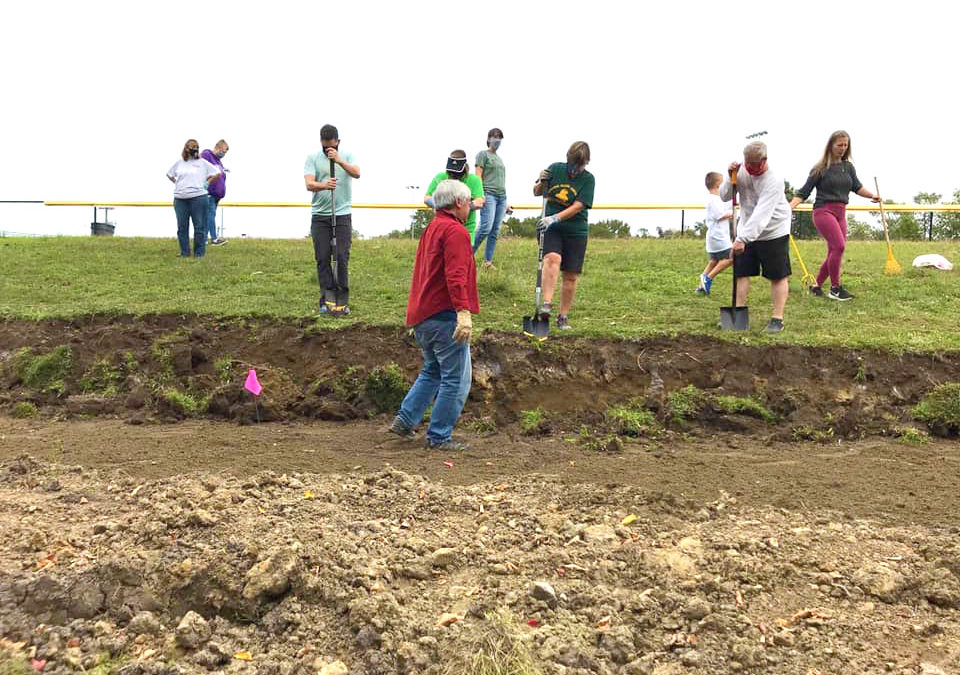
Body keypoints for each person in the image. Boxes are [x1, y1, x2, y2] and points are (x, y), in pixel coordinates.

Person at [389, 180, 480, 451]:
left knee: (433, 370)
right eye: (470, 202)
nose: (472, 206)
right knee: (456, 379)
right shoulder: (456, 232)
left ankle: (405, 420)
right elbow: (455, 275)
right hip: (444, 316)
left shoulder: (431, 228)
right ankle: (439, 436)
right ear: (460, 203)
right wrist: (463, 312)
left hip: (423, 315)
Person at [789, 130, 880, 301]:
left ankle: (816, 286)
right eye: (839, 145)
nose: (843, 148)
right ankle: (835, 289)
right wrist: (789, 207)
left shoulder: (848, 167)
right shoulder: (820, 168)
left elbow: (857, 187)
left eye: (846, 145)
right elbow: (803, 192)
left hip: (841, 213)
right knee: (839, 247)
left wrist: (872, 195)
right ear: (831, 145)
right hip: (823, 211)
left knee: (834, 250)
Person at [719, 141, 792, 333]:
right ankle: (738, 314)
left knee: (777, 275)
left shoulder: (774, 180)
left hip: (773, 231)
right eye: (747, 165)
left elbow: (762, 214)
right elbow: (724, 196)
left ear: (764, 160)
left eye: (754, 166)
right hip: (746, 229)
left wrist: (742, 239)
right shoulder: (742, 171)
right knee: (742, 272)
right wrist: (729, 177)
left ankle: (777, 319)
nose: (749, 169)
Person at [532, 141, 595, 330]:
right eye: (573, 164)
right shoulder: (555, 169)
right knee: (552, 258)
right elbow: (536, 192)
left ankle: (563, 316)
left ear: (585, 164)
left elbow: (578, 206)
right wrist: (540, 181)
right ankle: (546, 305)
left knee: (571, 276)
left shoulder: (588, 179)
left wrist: (555, 218)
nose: (575, 169)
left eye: (580, 166)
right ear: (568, 159)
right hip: (551, 228)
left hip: (576, 231)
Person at [304, 124, 360, 315]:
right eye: (325, 145)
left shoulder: (348, 156)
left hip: (342, 214)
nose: (328, 148)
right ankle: (327, 300)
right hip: (320, 216)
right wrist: (323, 185)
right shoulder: (312, 158)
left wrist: (339, 161)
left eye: (332, 145)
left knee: (342, 257)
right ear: (321, 142)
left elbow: (357, 173)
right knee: (323, 257)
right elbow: (309, 184)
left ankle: (342, 301)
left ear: (337, 142)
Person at [167, 139, 221, 258]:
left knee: (199, 226)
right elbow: (169, 174)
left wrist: (207, 182)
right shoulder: (179, 163)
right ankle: (184, 252)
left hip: (198, 197)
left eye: (196, 147)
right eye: (191, 147)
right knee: (182, 227)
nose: (194, 149)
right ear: (186, 148)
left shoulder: (202, 163)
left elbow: (217, 173)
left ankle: (199, 253)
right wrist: (178, 184)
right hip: (180, 198)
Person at [473, 128, 512, 268]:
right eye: (495, 137)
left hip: (501, 197)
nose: (497, 140)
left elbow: (500, 181)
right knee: (485, 228)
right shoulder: (483, 155)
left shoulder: (499, 159)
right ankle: (467, 255)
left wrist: (506, 203)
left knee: (495, 230)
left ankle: (487, 262)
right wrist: (480, 195)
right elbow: (478, 176)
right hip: (488, 194)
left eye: (500, 137)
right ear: (488, 138)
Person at [424, 151, 484, 240]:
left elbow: (480, 202)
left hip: (466, 229)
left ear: (465, 168)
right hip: (443, 229)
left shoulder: (474, 180)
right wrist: (441, 205)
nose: (453, 175)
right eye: (451, 172)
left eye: (457, 172)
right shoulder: (440, 177)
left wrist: (461, 208)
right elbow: (427, 198)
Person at [696, 171, 733, 295]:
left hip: (715, 237)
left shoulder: (716, 199)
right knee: (731, 258)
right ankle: (708, 278)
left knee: (714, 261)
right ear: (718, 185)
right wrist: (732, 213)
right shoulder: (713, 200)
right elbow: (719, 215)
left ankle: (701, 287)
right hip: (718, 236)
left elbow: (726, 206)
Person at [201, 140, 229, 246]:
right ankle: (214, 238)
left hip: (217, 195)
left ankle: (203, 239)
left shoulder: (218, 162)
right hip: (209, 192)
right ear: (217, 148)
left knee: (210, 216)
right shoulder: (207, 154)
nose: (223, 154)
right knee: (210, 214)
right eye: (223, 151)